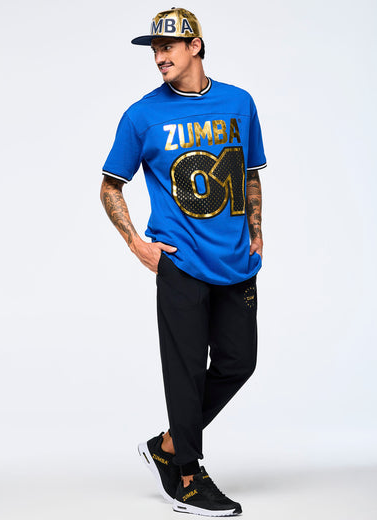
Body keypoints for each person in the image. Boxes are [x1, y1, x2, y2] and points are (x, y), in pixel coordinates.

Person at [100, 7, 267, 517]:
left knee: (239, 362)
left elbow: (251, 173)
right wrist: (135, 242)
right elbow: (110, 186)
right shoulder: (142, 115)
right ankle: (188, 478)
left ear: (195, 46)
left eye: (168, 46)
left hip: (236, 260)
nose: (159, 57)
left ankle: (168, 444)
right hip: (180, 260)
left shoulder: (239, 102)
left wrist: (257, 232)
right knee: (186, 371)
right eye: (154, 49)